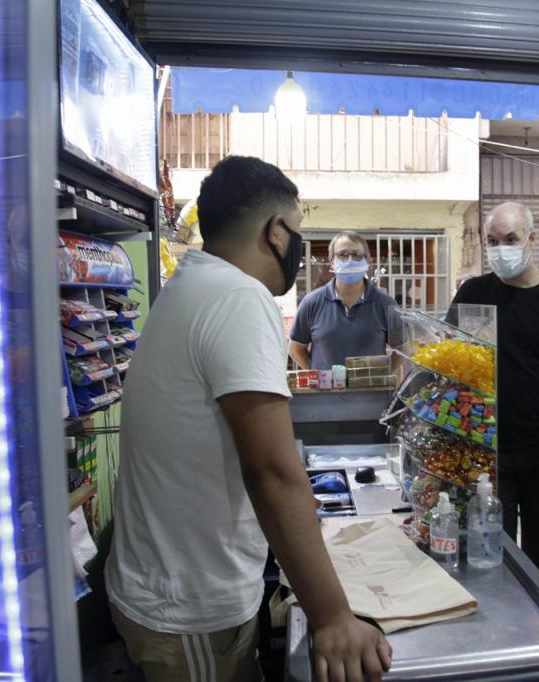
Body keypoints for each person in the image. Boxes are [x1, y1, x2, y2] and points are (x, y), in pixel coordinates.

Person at [105, 157, 391, 682]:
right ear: (276, 232)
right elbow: (272, 472)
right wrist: (333, 618)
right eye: (300, 231)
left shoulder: (191, 286)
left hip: (175, 588)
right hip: (187, 608)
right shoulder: (239, 297)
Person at [447, 201, 539, 581]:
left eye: (510, 239)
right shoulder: (473, 292)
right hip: (488, 448)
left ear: (531, 239)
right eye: (491, 240)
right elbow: (449, 353)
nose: (499, 248)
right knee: (490, 550)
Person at [289, 231, 399, 370]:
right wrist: (320, 377)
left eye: (357, 255)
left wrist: (383, 379)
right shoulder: (311, 302)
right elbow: (295, 348)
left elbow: (402, 349)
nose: (350, 261)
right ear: (331, 261)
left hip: (371, 392)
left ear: (368, 259)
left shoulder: (385, 304)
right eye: (342, 255)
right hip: (325, 391)